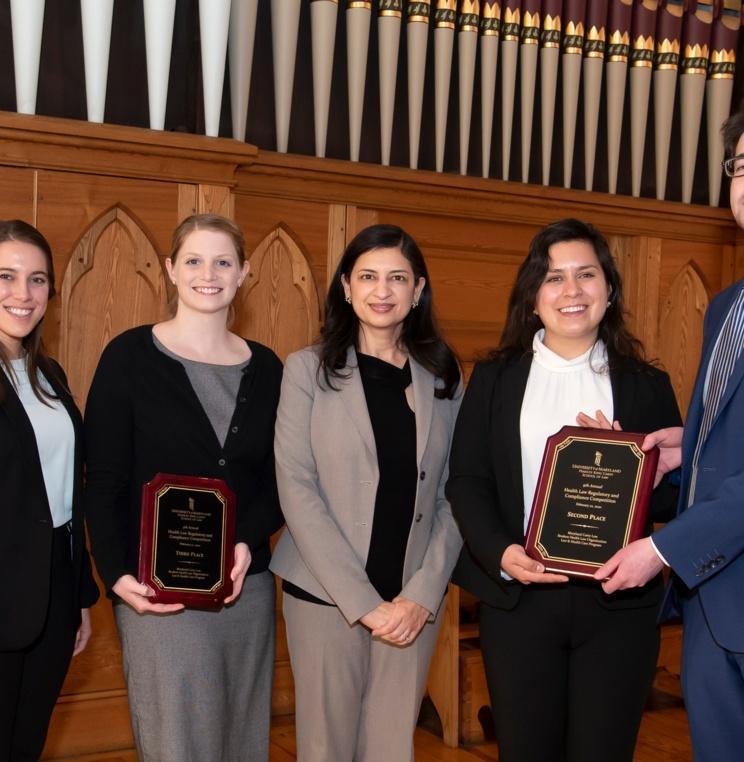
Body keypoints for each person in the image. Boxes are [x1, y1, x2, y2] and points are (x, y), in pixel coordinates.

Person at [446, 218, 682, 762]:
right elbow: (468, 480)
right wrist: (502, 554)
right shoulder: (495, 378)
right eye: (553, 277)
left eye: (586, 275)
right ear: (532, 297)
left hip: (618, 608)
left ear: (609, 290)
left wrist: (635, 471)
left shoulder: (646, 384)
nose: (571, 291)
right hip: (520, 599)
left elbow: (670, 502)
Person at [84, 214, 283, 762]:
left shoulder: (267, 368)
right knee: (178, 746)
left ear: (244, 272)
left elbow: (277, 481)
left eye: (223, 261)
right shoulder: (127, 358)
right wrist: (116, 573)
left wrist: (245, 540)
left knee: (243, 741)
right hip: (157, 596)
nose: (208, 274)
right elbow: (102, 481)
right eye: (193, 260)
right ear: (171, 270)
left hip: (247, 586)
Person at [270, 223, 463, 762]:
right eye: (369, 276)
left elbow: (457, 492)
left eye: (397, 278)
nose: (383, 291)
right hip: (324, 596)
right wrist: (363, 604)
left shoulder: (444, 375)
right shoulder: (306, 369)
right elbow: (296, 486)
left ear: (418, 290)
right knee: (325, 748)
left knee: (389, 748)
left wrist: (423, 595)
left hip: (411, 602)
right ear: (346, 287)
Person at [596, 111, 744, 760]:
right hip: (715, 604)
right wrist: (689, 453)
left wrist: (661, 549)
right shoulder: (726, 306)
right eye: (740, 166)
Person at [0, 220, 99, 761]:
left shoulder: (50, 375)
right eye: (6, 276)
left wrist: (78, 596)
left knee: (26, 746)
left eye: (37, 279)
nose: (23, 294)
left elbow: (64, 494)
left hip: (52, 598)